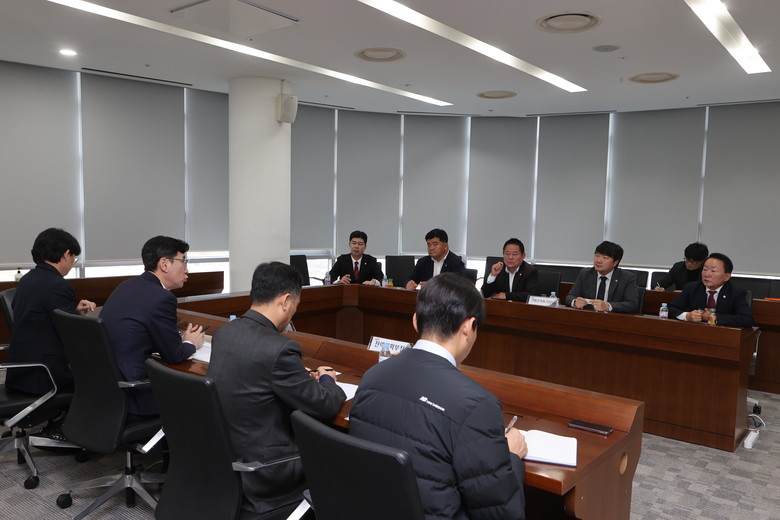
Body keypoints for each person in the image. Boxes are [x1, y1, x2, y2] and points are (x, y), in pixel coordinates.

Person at [350, 273, 527, 520]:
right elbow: (502, 514)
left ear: (415, 321)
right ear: (468, 327)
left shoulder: (372, 376)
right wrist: (510, 458)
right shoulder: (478, 406)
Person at [207, 262, 346, 519]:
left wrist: (296, 376)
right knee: (344, 453)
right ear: (285, 300)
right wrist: (328, 379)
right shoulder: (279, 348)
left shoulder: (225, 333)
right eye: (296, 305)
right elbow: (324, 405)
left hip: (224, 458)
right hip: (264, 469)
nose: (293, 312)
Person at [100, 236, 204, 417]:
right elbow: (174, 356)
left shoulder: (126, 286)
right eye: (183, 261)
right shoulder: (162, 298)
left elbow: (136, 332)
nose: (187, 270)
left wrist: (173, 339)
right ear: (164, 264)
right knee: (201, 394)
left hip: (107, 387)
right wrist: (190, 343)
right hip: (135, 391)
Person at [6, 228, 96, 397]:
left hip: (21, 372)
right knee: (100, 382)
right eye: (74, 258)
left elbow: (42, 317)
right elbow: (71, 335)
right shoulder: (58, 285)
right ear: (66, 254)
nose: (72, 263)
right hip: (46, 377)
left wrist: (73, 311)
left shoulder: (28, 279)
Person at [667, 253, 754, 327]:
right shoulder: (692, 288)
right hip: (695, 333)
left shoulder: (736, 292)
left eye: (713, 270)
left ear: (726, 276)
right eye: (705, 269)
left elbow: (747, 319)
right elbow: (670, 309)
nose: (707, 274)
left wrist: (713, 317)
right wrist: (687, 316)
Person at [566, 240, 639, 313]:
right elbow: (570, 297)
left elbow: (632, 304)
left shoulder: (627, 278)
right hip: (588, 317)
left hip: (613, 318)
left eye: (605, 258)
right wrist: (575, 302)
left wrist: (608, 306)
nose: (599, 261)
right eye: (597, 255)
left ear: (615, 262)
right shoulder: (585, 274)